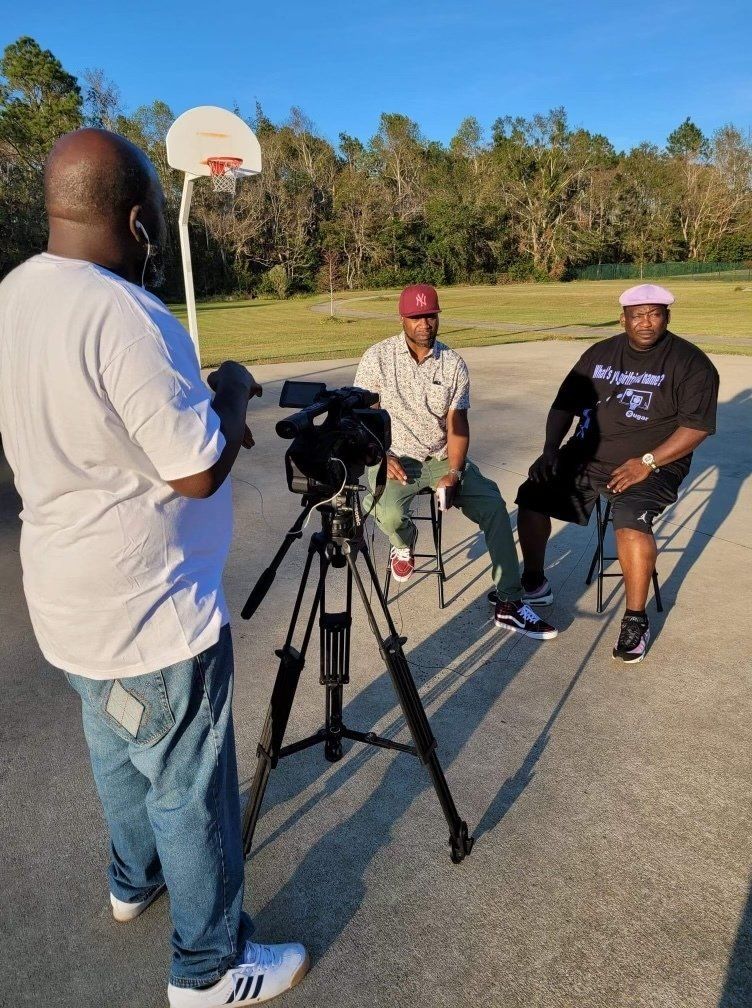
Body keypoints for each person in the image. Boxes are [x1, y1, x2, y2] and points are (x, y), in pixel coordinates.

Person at [0, 129, 309, 1007]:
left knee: (116, 752)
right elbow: (196, 465)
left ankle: (131, 883)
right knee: (187, 789)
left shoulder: (15, 292)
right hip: (151, 611)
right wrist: (236, 387)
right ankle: (209, 968)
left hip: (67, 604)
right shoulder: (126, 315)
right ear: (139, 221)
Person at [515, 283, 719, 663]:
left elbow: (696, 428)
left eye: (655, 314)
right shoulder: (600, 354)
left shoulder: (691, 363)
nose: (646, 322)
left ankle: (635, 619)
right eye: (637, 315)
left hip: (651, 464)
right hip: (586, 456)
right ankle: (534, 580)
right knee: (533, 495)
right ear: (622, 317)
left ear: (667, 317)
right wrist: (549, 451)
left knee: (630, 522)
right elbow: (563, 406)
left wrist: (647, 462)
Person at [354, 283, 557, 640]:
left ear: (437, 317)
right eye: (416, 316)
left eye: (430, 315)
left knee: (493, 504)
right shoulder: (378, 357)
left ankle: (509, 601)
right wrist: (380, 455)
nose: (424, 323)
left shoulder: (453, 364)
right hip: (393, 457)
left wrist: (454, 471)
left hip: (440, 456)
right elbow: (361, 414)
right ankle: (404, 543)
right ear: (403, 318)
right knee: (387, 514)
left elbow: (457, 425)